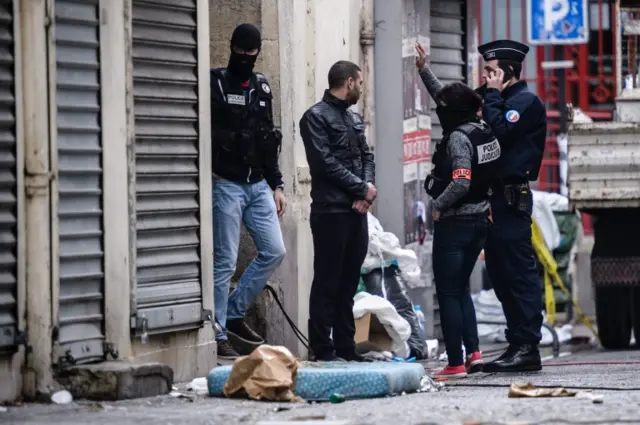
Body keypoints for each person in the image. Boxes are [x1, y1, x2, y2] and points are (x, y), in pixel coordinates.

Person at [415, 43, 500, 378]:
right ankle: (474, 353)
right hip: (480, 221)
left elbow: (462, 181)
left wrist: (437, 206)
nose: (441, 109)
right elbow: (448, 99)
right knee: (461, 287)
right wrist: (424, 70)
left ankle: (454, 363)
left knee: (449, 292)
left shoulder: (458, 139)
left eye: (444, 107)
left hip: (457, 224)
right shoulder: (482, 129)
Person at [210, 24, 287, 360]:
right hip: (226, 183)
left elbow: (267, 138)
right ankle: (217, 329)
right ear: (231, 48)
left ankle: (234, 311)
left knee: (274, 250)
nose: (243, 57)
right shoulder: (215, 82)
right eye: (238, 51)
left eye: (249, 52)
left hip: (257, 185)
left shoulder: (262, 86)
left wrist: (277, 185)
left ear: (257, 52)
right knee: (224, 262)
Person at [477, 39, 547, 373]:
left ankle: (527, 346)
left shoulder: (525, 101)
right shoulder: (498, 99)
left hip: (511, 198)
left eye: (492, 71)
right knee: (501, 274)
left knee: (519, 272)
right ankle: (515, 343)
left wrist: (490, 96)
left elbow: (500, 131)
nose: (487, 77)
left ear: (509, 72)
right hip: (492, 200)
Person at [299, 60, 376, 362]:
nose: (361, 87)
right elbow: (324, 163)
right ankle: (322, 348)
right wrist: (361, 189)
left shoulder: (354, 119)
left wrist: (366, 191)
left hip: (356, 213)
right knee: (327, 282)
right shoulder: (315, 118)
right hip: (330, 213)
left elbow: (367, 156)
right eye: (359, 81)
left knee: (348, 283)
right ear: (348, 82)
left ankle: (346, 347)